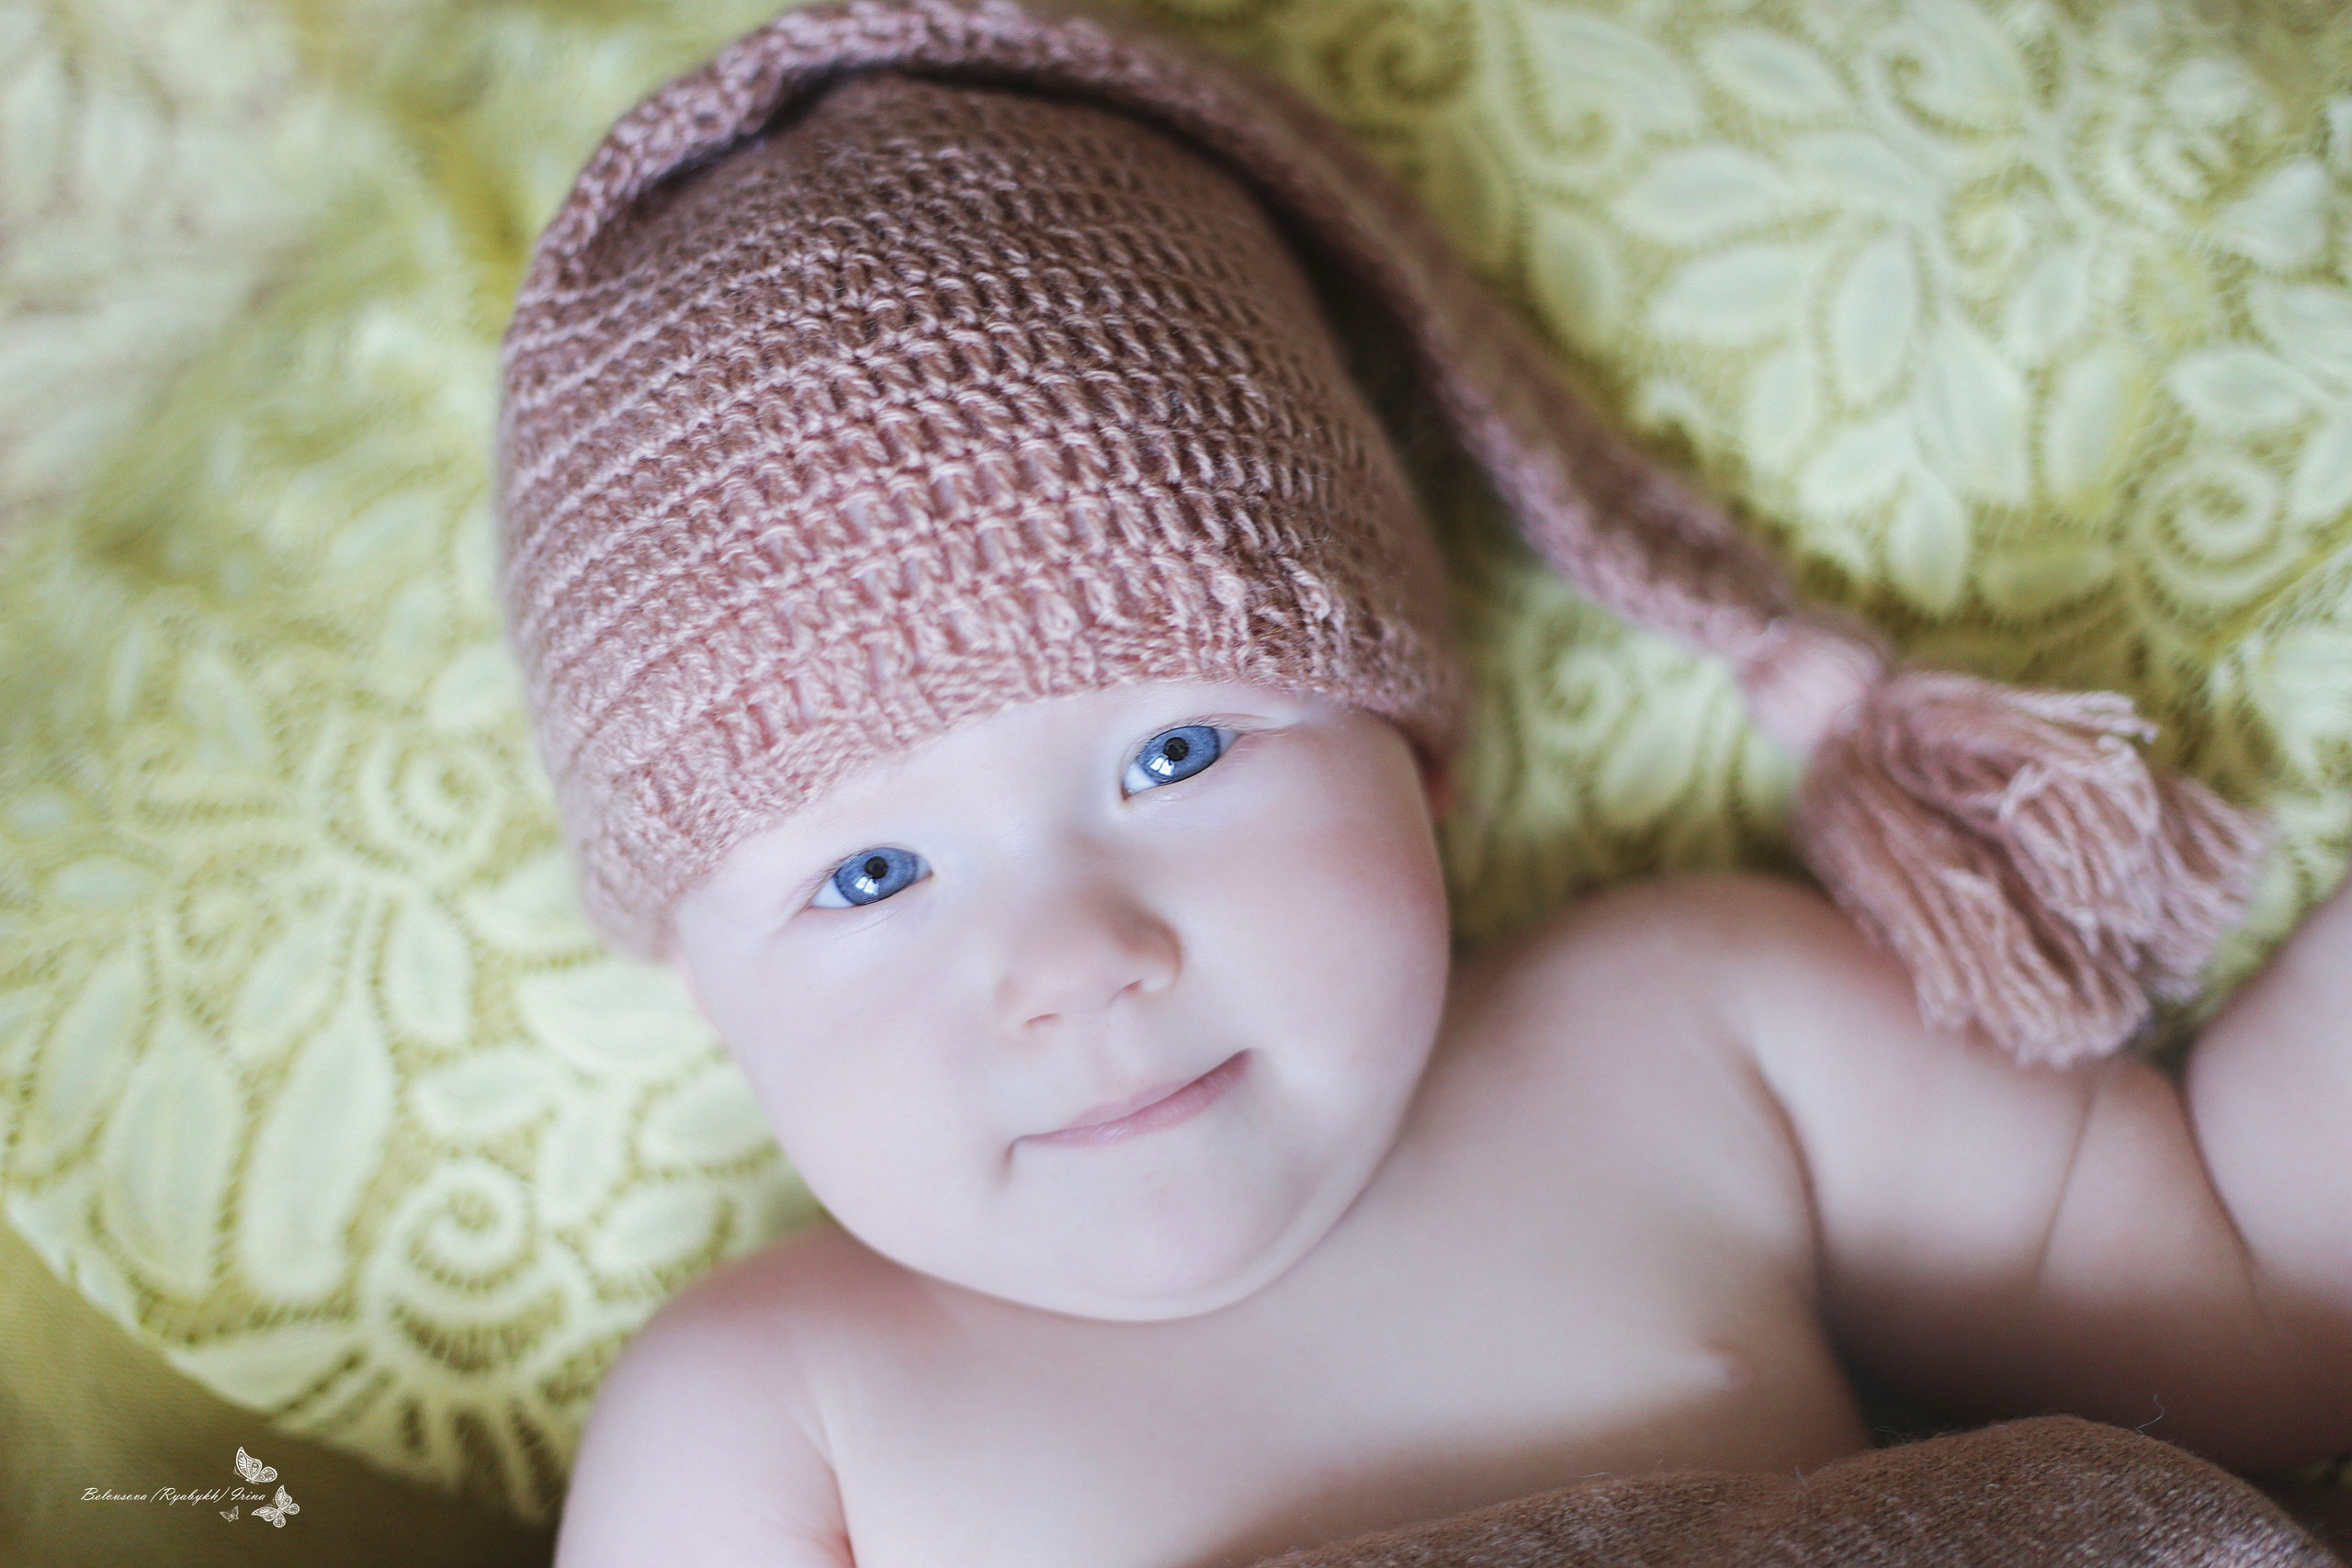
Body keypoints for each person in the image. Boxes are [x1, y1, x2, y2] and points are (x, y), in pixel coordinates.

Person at [490, 2, 2352, 1562]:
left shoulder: (1699, 1042)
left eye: (1174, 750)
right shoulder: (773, 1421)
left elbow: (2262, 1298)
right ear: (697, 979)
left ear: (1412, 739)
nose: (1074, 960)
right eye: (868, 874)